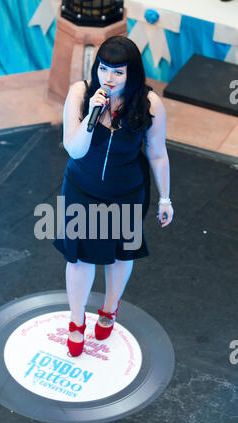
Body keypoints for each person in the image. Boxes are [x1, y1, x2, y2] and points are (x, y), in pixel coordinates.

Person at [52, 36, 174, 357]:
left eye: (118, 72)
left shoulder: (149, 104)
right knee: (78, 257)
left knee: (120, 254)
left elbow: (157, 154)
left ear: (132, 73)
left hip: (127, 192)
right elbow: (74, 149)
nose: (109, 78)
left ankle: (109, 309)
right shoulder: (81, 93)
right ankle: (76, 322)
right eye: (104, 69)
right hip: (82, 187)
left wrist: (166, 198)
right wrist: (92, 116)